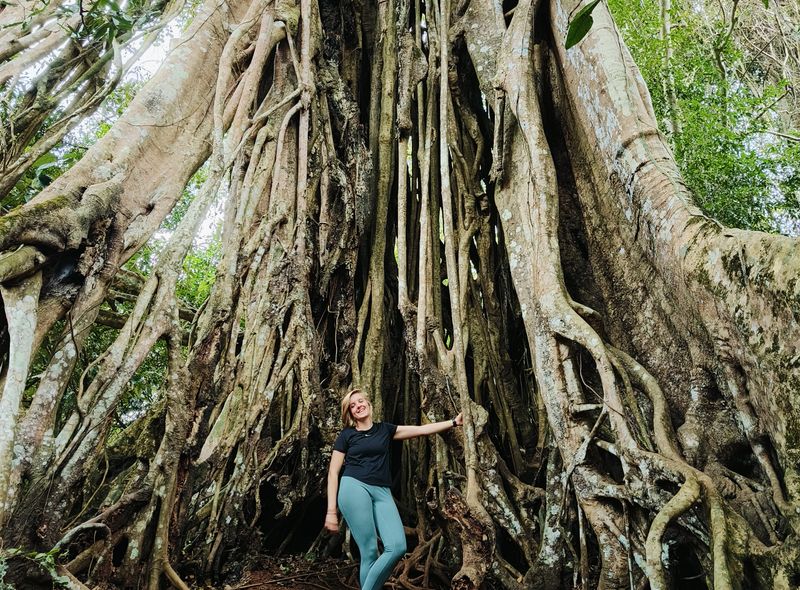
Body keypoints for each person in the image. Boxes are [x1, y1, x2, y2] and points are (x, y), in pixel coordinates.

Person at [324, 388, 463, 590]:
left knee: (398, 546)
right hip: (354, 487)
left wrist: (453, 422)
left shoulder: (385, 430)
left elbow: (420, 429)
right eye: (352, 406)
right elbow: (333, 472)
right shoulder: (347, 435)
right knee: (370, 552)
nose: (358, 406)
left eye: (361, 401)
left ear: (370, 405)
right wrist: (331, 510)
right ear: (350, 413)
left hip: (381, 491)